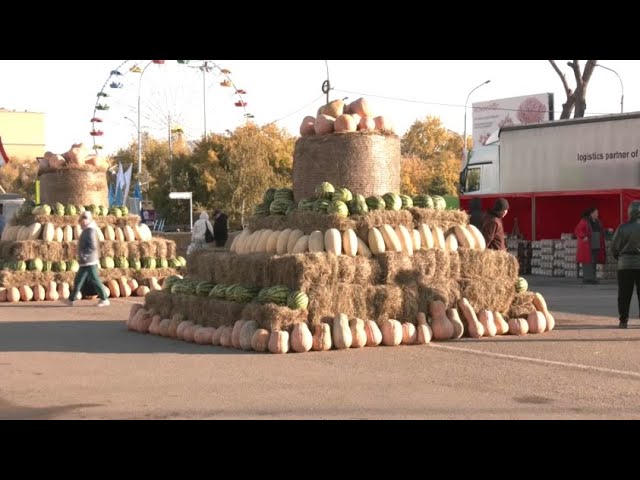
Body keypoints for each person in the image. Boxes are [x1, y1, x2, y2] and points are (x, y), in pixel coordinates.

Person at [65, 211, 110, 307]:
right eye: (81, 220)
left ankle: (104, 299)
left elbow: (92, 246)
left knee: (95, 280)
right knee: (78, 280)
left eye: (83, 219)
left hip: (90, 261)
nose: (81, 221)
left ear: (88, 220)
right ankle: (71, 299)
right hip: (85, 262)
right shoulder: (86, 230)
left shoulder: (90, 231)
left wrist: (84, 255)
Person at [611, 201, 640, 328]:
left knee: (624, 294)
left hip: (625, 265)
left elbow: (614, 247)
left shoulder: (622, 228)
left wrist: (619, 257)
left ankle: (623, 320)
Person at [574, 207, 606, 285]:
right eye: (596, 213)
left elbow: (601, 230)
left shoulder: (598, 221)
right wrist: (583, 236)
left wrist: (607, 231)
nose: (597, 214)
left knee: (594, 260)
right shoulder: (584, 221)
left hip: (596, 241)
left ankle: (592, 277)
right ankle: (587, 278)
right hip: (588, 243)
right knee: (588, 260)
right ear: (591, 214)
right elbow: (578, 230)